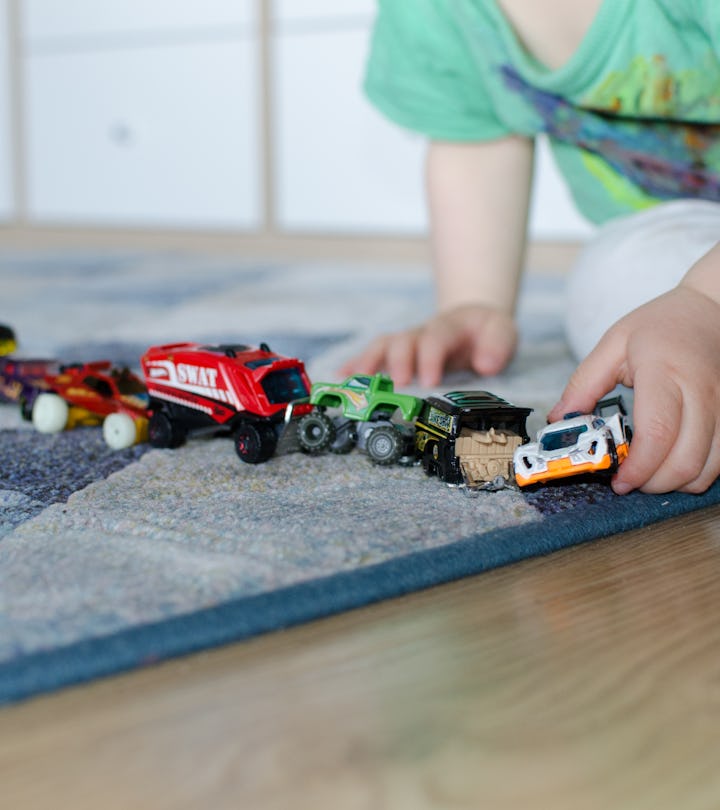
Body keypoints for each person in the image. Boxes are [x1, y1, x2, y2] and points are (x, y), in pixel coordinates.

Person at [340, 0, 720, 495]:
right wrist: (474, 301)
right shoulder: (434, 11)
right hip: (681, 228)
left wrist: (708, 300)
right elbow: (478, 135)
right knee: (623, 303)